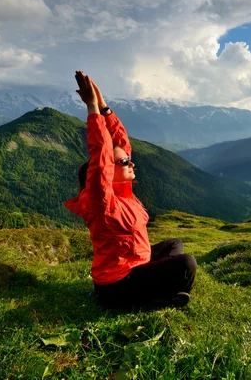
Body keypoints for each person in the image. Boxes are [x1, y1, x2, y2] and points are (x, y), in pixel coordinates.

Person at [64, 71, 196, 308]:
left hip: (136, 264)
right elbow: (102, 153)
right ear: (106, 172)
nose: (131, 163)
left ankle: (157, 287)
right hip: (116, 283)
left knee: (174, 244)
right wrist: (92, 108)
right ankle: (165, 298)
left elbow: (120, 144)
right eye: (124, 163)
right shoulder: (101, 201)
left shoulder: (123, 192)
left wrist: (105, 108)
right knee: (186, 263)